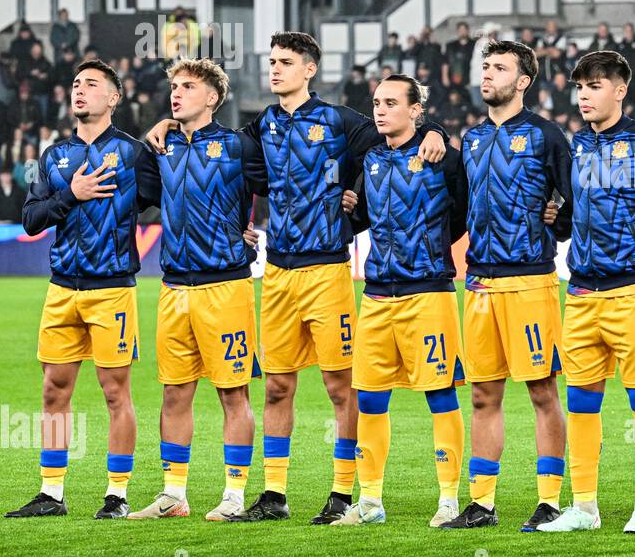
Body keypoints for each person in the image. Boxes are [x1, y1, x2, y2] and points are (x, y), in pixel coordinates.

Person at [144, 33, 446, 524]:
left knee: (339, 386)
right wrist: (167, 123)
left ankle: (343, 492)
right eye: (271, 61)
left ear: (310, 69)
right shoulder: (260, 126)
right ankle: (275, 495)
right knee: (278, 386)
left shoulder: (341, 121)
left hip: (328, 269)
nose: (275, 69)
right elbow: (209, 139)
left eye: (285, 62)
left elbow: (397, 131)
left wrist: (433, 128)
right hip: (278, 272)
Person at [7, 60, 160, 518]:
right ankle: (51, 493)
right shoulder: (53, 156)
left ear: (113, 98)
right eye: (75, 84)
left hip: (112, 289)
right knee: (54, 390)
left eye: (92, 85)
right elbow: (31, 220)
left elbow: (178, 196)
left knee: (116, 392)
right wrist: (71, 193)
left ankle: (117, 494)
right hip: (61, 290)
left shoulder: (134, 155)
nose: (80, 91)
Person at [126, 58, 265, 522]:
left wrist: (250, 231)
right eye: (174, 87)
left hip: (224, 285)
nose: (177, 93)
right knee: (174, 394)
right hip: (173, 287)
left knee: (233, 393)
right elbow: (139, 192)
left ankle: (234, 494)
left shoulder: (239, 145)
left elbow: (284, 185)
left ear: (212, 98)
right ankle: (173, 495)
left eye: (188, 86)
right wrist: (159, 128)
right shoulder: (160, 149)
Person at [444, 40, 573, 531]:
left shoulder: (546, 136)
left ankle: (548, 500)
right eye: (485, 67)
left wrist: (557, 223)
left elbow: (576, 194)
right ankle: (482, 503)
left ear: (523, 81)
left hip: (530, 281)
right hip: (478, 282)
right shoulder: (472, 139)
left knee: (542, 391)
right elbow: (457, 209)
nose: (487, 75)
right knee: (482, 396)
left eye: (499, 68)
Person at [540, 51, 635, 534]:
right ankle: (585, 507)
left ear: (620, 90)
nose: (584, 96)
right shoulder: (576, 145)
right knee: (582, 402)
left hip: (633, 290)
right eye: (580, 88)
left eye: (595, 86)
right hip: (580, 291)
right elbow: (574, 210)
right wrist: (562, 220)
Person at [336, 75, 467, 527]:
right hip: (375, 296)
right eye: (376, 102)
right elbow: (362, 218)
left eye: (391, 102)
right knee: (370, 399)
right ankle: (370, 501)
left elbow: (463, 214)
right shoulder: (368, 158)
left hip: (428, 294)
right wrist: (351, 209)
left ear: (416, 110)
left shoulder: (444, 159)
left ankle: (449, 498)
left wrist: (432, 249)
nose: (380, 109)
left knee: (440, 395)